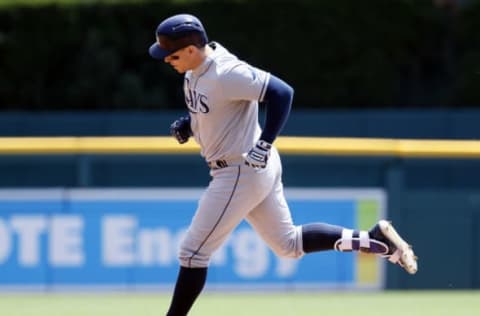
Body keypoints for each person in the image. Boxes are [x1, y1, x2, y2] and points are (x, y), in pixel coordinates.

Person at [148, 13, 417, 316]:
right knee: (289, 244)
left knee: (192, 252)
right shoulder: (194, 72)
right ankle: (374, 239)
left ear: (190, 50)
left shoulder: (226, 72)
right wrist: (190, 124)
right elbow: (218, 112)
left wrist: (265, 143)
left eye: (170, 54)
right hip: (246, 167)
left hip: (239, 169)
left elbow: (282, 92)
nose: (166, 60)